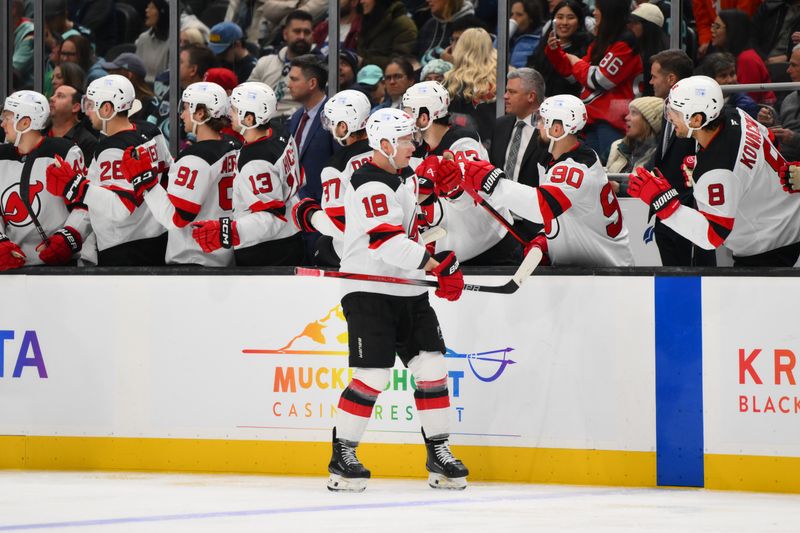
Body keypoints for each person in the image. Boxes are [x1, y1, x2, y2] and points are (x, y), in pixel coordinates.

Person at [327, 107, 468, 493]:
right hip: (370, 291)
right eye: (406, 140)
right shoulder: (370, 182)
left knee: (433, 367)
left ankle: (438, 453)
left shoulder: (401, 176)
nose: (413, 145)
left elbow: (414, 231)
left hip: (408, 289)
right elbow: (388, 244)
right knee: (373, 375)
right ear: (386, 144)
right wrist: (437, 266)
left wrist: (436, 262)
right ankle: (343, 456)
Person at [628, 75, 800, 267]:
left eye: (675, 111)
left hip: (771, 245)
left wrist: (662, 201)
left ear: (696, 119)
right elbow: (770, 139)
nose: (670, 117)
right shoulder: (736, 115)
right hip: (787, 220)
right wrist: (705, 165)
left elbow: (712, 236)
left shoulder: (717, 170)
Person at [461, 94, 634, 267]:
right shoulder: (565, 158)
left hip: (608, 274)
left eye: (543, 121)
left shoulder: (574, 168)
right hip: (588, 270)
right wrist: (547, 238)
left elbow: (541, 207)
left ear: (557, 130)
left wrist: (494, 183)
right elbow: (566, 211)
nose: (538, 126)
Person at [45, 75, 173, 266]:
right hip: (158, 238)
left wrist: (76, 185)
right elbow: (168, 177)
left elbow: (120, 208)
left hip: (124, 247)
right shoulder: (151, 131)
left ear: (107, 108)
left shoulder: (111, 149)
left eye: (91, 105)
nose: (88, 112)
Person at [404, 81, 520, 265]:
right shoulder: (417, 151)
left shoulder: (463, 143)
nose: (405, 121)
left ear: (424, 117)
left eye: (408, 113)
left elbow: (474, 195)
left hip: (493, 249)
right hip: (457, 251)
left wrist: (455, 187)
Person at [192, 82, 304, 266]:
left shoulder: (256, 161)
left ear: (250, 119)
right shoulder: (278, 130)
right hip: (290, 235)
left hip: (268, 249)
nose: (230, 114)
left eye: (235, 110)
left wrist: (228, 230)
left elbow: (271, 217)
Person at [135, 82, 240, 266]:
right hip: (224, 255)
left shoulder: (195, 158)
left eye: (185, 108)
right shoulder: (234, 146)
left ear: (200, 113)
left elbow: (175, 218)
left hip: (193, 258)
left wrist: (147, 181)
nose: (182, 115)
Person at [0, 90, 89, 271]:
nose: (2, 123)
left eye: (7, 117)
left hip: (60, 267)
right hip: (11, 266)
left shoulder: (64, 152)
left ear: (24, 122)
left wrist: (67, 238)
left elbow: (84, 203)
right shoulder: (1, 156)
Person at [545, 0, 642, 163]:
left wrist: (576, 61)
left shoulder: (625, 43)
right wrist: (556, 53)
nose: (594, 13)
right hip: (593, 119)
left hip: (614, 121)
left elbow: (598, 80)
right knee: (591, 170)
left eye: (598, 9)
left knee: (609, 172)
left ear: (609, 13)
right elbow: (574, 76)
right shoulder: (602, 42)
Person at [648, 49, 716, 267]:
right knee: (673, 280)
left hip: (689, 213)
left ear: (671, 79)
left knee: (697, 282)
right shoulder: (669, 109)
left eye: (654, 76)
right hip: (665, 212)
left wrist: (686, 205)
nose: (650, 82)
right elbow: (665, 155)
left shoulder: (699, 113)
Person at [292, 89, 373, 266]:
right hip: (393, 241)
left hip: (358, 255)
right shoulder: (387, 151)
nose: (329, 128)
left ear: (343, 126)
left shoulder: (335, 166)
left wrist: (310, 214)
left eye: (332, 123)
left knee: (322, 246)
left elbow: (339, 226)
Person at [489, 68, 550, 241]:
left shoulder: (552, 130)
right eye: (506, 91)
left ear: (531, 96)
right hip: (499, 224)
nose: (505, 96)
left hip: (536, 226)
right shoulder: (500, 125)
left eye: (512, 92)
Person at [288, 55, 340, 204]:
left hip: (322, 207)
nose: (288, 85)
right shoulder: (297, 117)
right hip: (296, 207)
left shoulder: (334, 117)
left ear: (312, 83)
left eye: (294, 79)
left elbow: (340, 164)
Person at [248, 10, 317, 118]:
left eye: (306, 32)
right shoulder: (265, 62)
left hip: (295, 123)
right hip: (262, 121)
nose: (302, 37)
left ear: (312, 36)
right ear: (285, 34)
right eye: (297, 31)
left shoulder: (319, 69)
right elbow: (248, 95)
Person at [442, 28, 497, 145]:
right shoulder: (502, 75)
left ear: (461, 48)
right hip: (494, 142)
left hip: (460, 144)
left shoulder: (452, 80)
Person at [711, 10, 776, 106]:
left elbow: (748, 102)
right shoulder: (726, 55)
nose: (712, 30)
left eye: (717, 27)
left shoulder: (747, 59)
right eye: (713, 26)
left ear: (732, 29)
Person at [528, 0, 592, 98]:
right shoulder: (545, 45)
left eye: (570, 18)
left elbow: (575, 80)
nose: (564, 22)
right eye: (560, 17)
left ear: (579, 22)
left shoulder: (587, 47)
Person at [606, 97, 663, 189]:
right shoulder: (616, 146)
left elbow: (653, 190)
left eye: (634, 113)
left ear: (649, 121)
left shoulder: (660, 155)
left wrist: (619, 189)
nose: (626, 117)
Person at [758, 45, 800, 161]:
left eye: (794, 65)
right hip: (781, 162)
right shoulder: (789, 99)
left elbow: (790, 137)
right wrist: (770, 123)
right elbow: (782, 129)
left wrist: (794, 139)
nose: (788, 70)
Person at [101, 53, 160, 126]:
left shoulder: (149, 105)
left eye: (113, 73)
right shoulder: (115, 101)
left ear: (129, 75)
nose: (109, 77)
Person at [357, 0, 419, 69]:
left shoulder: (403, 25)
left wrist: (364, 62)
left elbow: (402, 63)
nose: (361, 1)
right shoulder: (366, 22)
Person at [47, 84, 98, 163]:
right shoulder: (40, 134)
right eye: (53, 95)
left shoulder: (87, 142)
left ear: (75, 107)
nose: (51, 98)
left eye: (60, 96)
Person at [699, 52, 759, 118]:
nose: (730, 80)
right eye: (723, 76)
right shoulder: (698, 101)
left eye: (732, 74)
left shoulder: (746, 106)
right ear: (710, 79)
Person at [417, 0, 475, 65]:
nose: (427, 0)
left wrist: (453, 63)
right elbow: (415, 54)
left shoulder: (471, 26)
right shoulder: (429, 24)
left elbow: (475, 64)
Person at [628, 2, 667, 97]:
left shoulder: (662, 59)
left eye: (635, 23)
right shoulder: (628, 48)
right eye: (630, 22)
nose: (630, 26)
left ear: (648, 27)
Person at [135, 0, 170, 83]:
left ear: (162, 12)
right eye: (147, 7)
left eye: (152, 7)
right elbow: (136, 69)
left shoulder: (174, 41)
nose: (147, 10)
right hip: (142, 87)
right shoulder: (143, 38)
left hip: (162, 88)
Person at [509, 0, 544, 69]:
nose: (513, 18)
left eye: (519, 15)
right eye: (512, 14)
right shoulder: (510, 38)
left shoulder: (539, 40)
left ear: (531, 18)